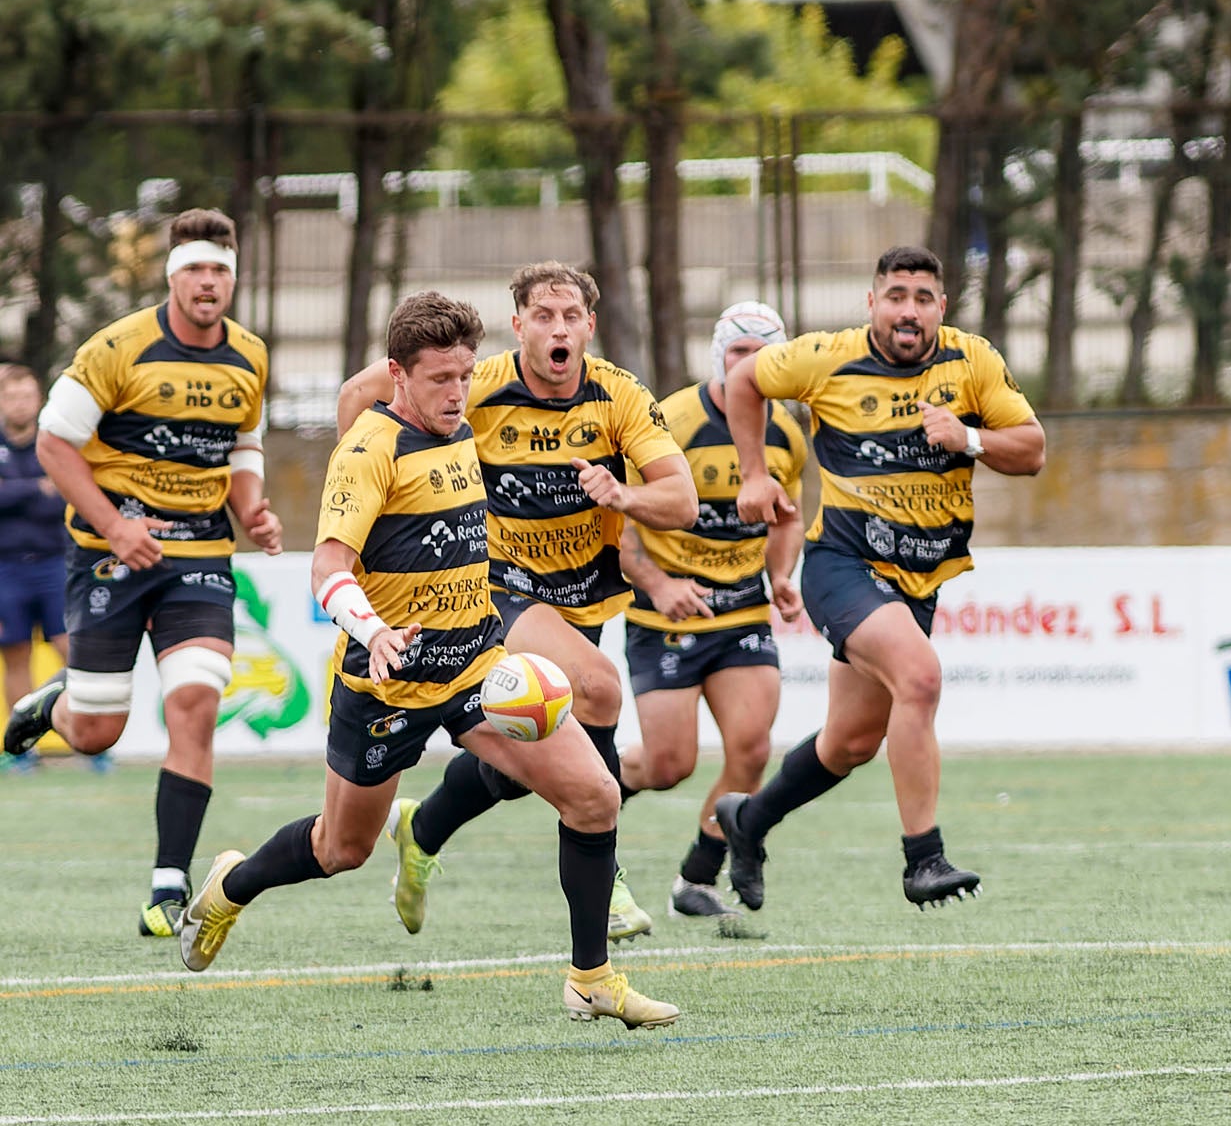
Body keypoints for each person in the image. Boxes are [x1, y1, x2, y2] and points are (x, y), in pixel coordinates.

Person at [179, 291, 678, 1028]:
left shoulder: (468, 420)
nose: (456, 392)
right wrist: (372, 628)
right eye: (439, 379)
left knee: (596, 796)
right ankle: (233, 883)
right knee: (340, 846)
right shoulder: (369, 449)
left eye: (465, 375)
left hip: (476, 661)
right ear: (397, 376)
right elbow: (328, 568)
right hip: (387, 684)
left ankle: (591, 977)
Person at [335, 262, 695, 943]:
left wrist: (625, 496)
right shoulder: (480, 383)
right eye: (543, 315)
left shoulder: (618, 395)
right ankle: (609, 878)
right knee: (598, 688)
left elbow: (681, 499)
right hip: (496, 587)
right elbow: (361, 392)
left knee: (528, 751)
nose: (558, 328)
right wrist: (363, 500)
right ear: (519, 325)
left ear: (589, 325)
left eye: (570, 316)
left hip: (580, 596)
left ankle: (425, 826)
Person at [711, 245, 1045, 911]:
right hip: (842, 563)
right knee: (920, 675)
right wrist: (754, 472)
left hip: (919, 576)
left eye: (923, 298)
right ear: (872, 304)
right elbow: (745, 380)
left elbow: (1032, 448)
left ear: (941, 309)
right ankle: (924, 858)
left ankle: (748, 821)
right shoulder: (825, 357)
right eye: (895, 295)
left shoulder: (970, 362)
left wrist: (970, 439)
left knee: (851, 741)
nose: (909, 311)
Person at [4, 208, 282, 938]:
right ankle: (56, 705)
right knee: (96, 731)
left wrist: (252, 508)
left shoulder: (249, 355)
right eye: (195, 268)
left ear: (232, 277)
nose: (208, 282)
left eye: (220, 269)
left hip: (198, 553)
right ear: (172, 275)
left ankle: (168, 882)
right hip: (107, 552)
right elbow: (56, 446)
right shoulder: (117, 348)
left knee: (196, 699)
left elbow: (244, 444)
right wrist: (117, 525)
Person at [615, 302, 807, 920]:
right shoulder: (669, 421)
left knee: (751, 748)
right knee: (668, 764)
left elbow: (787, 513)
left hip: (741, 612)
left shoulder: (788, 433)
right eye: (738, 355)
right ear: (717, 358)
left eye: (764, 357)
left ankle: (696, 880)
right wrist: (657, 581)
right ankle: (584, 797)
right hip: (665, 613)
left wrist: (780, 576)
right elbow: (615, 525)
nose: (750, 369)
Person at [0, 366, 70, 711]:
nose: (19, 404)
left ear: (39, 400)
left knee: (71, 649)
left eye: (26, 396)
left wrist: (12, 492)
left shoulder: (54, 442)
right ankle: (23, 749)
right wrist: (34, 488)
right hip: (6, 568)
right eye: (11, 397)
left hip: (54, 563)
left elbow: (64, 497)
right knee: (15, 654)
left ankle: (91, 744)